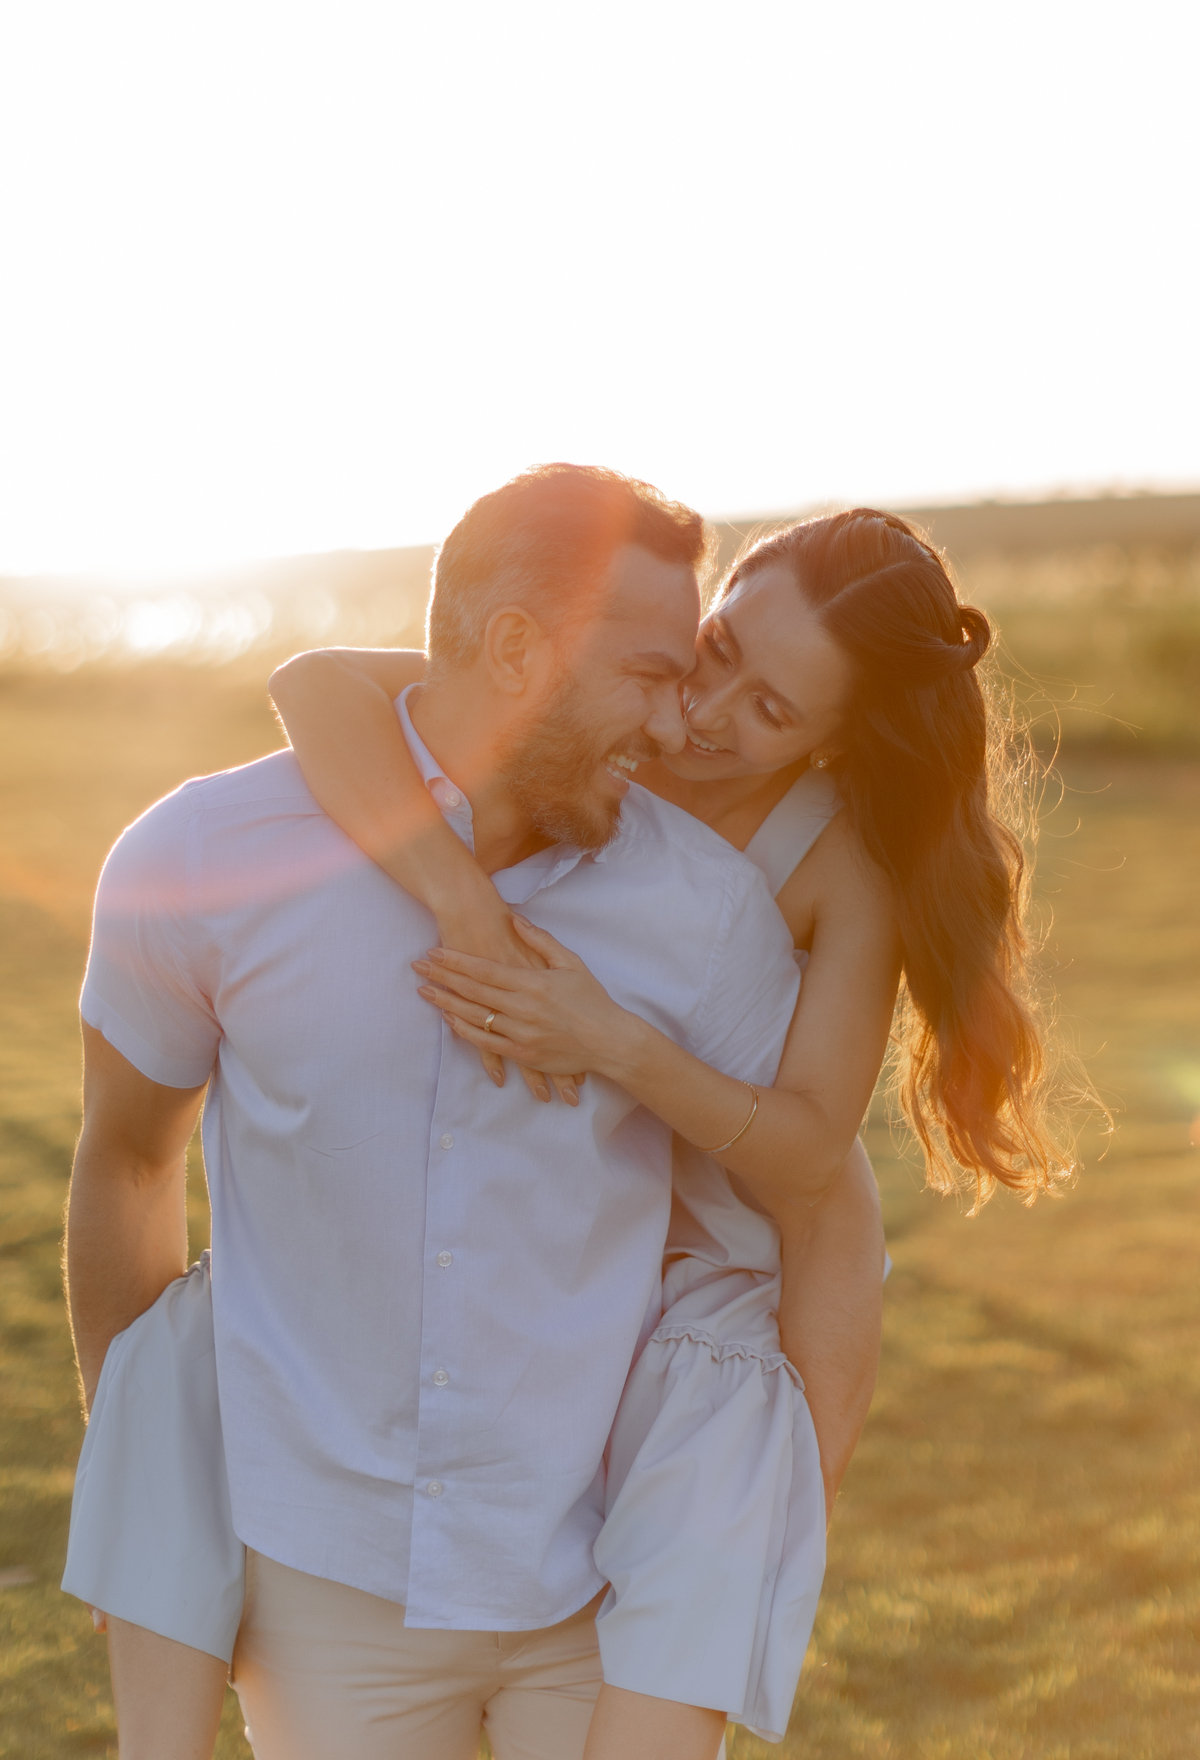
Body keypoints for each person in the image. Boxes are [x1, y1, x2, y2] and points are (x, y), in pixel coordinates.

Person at [65, 481, 1068, 1756]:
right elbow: (323, 681)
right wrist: (460, 902)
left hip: (654, 1395)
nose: (696, 717)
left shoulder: (786, 884)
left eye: (767, 710)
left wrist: (610, 1041)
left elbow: (820, 1178)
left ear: (829, 742)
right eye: (705, 659)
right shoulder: (270, 828)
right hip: (364, 1513)